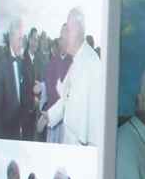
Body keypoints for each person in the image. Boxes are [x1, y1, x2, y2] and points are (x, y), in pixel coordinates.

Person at [37, 8, 103, 147]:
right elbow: (66, 97)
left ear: (76, 30)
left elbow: (90, 125)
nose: (63, 37)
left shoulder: (90, 62)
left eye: (67, 30)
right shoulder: (77, 59)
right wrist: (49, 115)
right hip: (70, 142)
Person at [0, 18, 29, 140]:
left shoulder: (23, 62)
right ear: (11, 37)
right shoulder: (0, 62)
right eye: (19, 39)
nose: (22, 44)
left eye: (23, 39)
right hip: (5, 132)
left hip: (21, 130)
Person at [41, 24, 72, 143]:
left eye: (66, 36)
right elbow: (47, 85)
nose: (63, 40)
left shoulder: (74, 62)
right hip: (52, 117)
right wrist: (42, 87)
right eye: (61, 37)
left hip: (66, 122)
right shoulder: (53, 61)